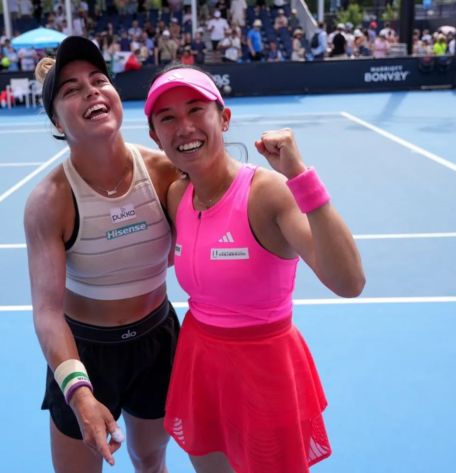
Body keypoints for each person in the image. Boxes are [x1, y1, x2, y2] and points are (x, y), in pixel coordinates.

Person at [144, 64, 365, 473]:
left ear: (224, 118)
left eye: (196, 110)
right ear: (156, 136)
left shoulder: (267, 193)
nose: (184, 127)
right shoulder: (177, 196)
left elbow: (349, 281)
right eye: (168, 118)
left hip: (264, 372)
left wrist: (300, 177)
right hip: (200, 366)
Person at [24, 36, 182, 473]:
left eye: (98, 80)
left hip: (157, 341)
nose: (91, 91)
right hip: (84, 354)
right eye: (71, 89)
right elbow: (47, 312)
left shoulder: (165, 173)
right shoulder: (49, 202)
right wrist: (78, 392)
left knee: (151, 460)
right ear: (57, 122)